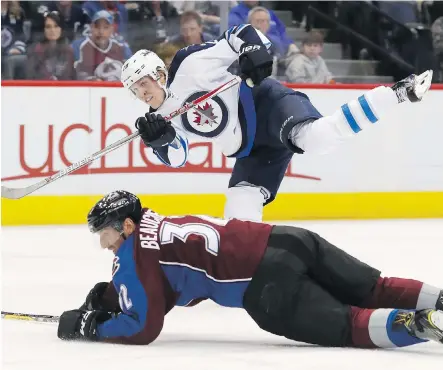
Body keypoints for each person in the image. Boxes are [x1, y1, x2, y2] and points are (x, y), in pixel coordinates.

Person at [120, 24, 433, 222]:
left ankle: (396, 93)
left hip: (267, 105)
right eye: (135, 89)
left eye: (143, 82)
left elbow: (238, 35)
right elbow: (178, 158)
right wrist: (159, 141)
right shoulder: (159, 121)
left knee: (317, 139)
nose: (141, 91)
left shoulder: (190, 64)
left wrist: (253, 51)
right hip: (251, 151)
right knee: (239, 217)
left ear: (160, 73)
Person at [57, 190, 443, 347]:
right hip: (290, 239)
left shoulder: (133, 255)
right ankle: (438, 300)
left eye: (105, 233)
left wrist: (93, 326)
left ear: (126, 226)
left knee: (348, 323)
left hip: (266, 286)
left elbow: (144, 326)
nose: (103, 243)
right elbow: (165, 287)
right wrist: (110, 297)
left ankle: (420, 325)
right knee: (376, 287)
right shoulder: (159, 223)